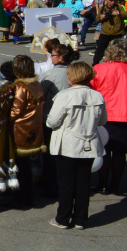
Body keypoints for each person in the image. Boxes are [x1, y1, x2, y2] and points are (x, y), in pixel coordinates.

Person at [45, 61, 107, 229]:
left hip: (67, 144)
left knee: (66, 183)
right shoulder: (97, 96)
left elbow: (52, 121)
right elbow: (102, 121)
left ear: (73, 76)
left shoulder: (64, 95)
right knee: (83, 182)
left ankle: (63, 218)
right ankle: (80, 219)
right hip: (89, 143)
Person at [91, 38, 127, 196]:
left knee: (103, 151)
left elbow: (92, 91)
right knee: (120, 152)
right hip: (126, 114)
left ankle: (103, 184)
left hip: (104, 115)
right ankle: (116, 185)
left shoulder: (99, 68)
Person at [10, 55, 46, 209]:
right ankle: (29, 196)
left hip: (21, 130)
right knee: (28, 167)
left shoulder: (20, 87)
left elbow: (15, 111)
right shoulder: (36, 84)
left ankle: (21, 199)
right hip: (34, 129)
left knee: (20, 168)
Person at [92, 0, 127, 65]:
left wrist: (120, 13)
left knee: (117, 50)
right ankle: (95, 64)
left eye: (113, 0)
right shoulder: (102, 8)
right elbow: (97, 19)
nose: (113, 2)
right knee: (100, 50)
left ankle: (118, 64)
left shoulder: (119, 7)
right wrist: (101, 17)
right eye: (110, 0)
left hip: (117, 33)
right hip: (105, 33)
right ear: (107, 0)